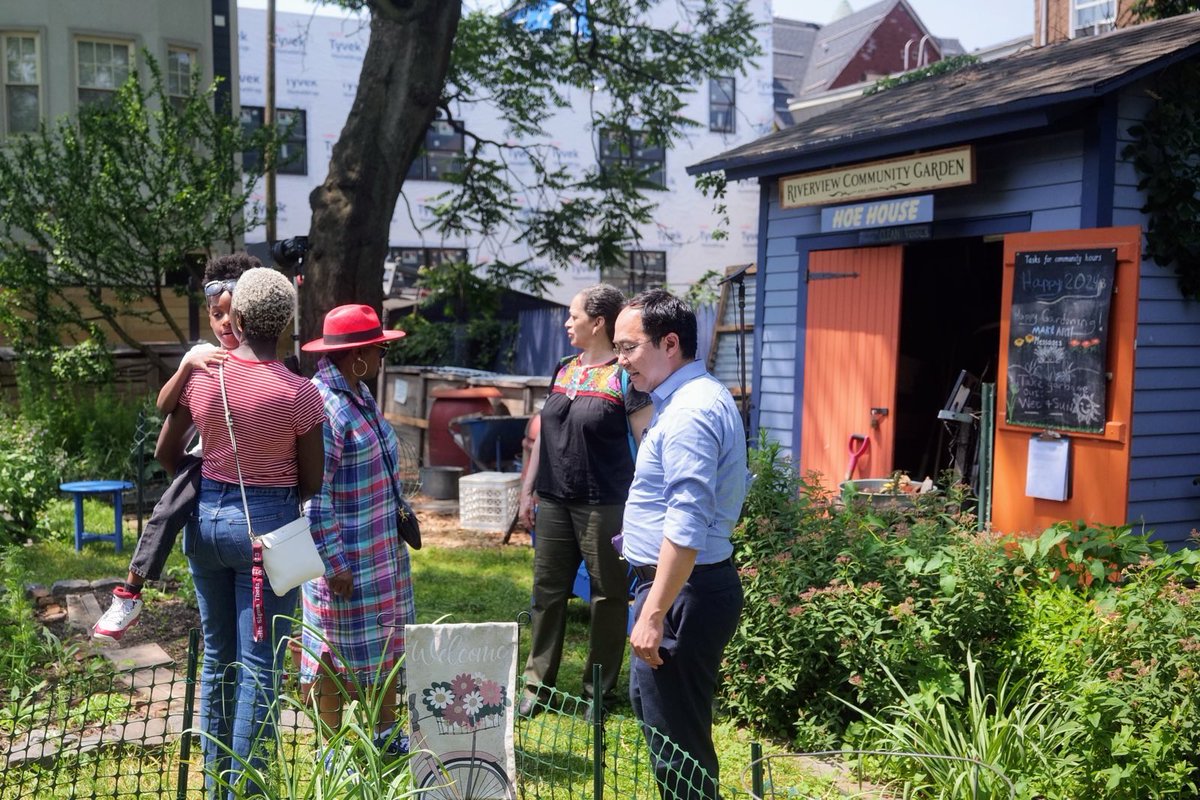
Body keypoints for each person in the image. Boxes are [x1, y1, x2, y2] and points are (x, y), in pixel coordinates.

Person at [155, 267, 325, 799]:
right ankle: (246, 791)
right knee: (260, 666)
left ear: (241, 316)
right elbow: (312, 479)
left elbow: (167, 451)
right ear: (287, 324)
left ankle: (214, 787)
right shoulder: (302, 393)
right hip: (268, 534)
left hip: (205, 525)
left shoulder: (206, 378)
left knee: (215, 658)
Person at [614, 289, 749, 800]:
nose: (620, 360)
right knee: (659, 721)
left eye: (628, 347)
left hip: (680, 594)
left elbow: (687, 523)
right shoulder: (679, 401)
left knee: (679, 748)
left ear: (670, 343)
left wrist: (653, 612)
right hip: (669, 590)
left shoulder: (691, 412)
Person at [93, 253, 258, 643]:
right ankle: (130, 593)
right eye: (214, 315)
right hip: (209, 461)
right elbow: (165, 406)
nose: (222, 323)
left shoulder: (264, 359)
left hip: (255, 472)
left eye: (229, 314)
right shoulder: (201, 354)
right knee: (165, 510)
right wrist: (188, 367)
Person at [517, 284, 653, 716]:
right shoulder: (562, 368)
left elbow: (645, 441)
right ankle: (537, 686)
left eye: (573, 315)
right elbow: (544, 432)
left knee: (608, 597)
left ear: (598, 322)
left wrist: (644, 503)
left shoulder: (622, 376)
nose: (566, 322)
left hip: (604, 503)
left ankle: (599, 691)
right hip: (554, 501)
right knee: (547, 593)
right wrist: (528, 488)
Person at [298, 304, 416, 757]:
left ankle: (385, 736)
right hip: (346, 560)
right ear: (357, 355)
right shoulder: (325, 406)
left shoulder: (358, 393)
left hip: (379, 555)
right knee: (332, 655)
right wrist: (333, 564)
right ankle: (332, 749)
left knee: (384, 645)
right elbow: (315, 494)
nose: (385, 355)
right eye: (379, 348)